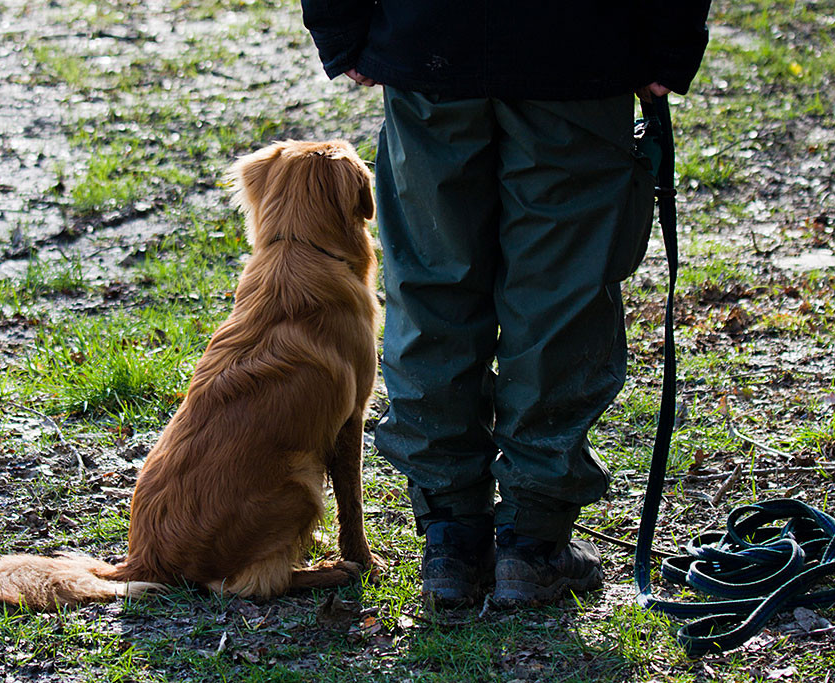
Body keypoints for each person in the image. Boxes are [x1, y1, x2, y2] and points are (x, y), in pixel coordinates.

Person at [301, 1, 712, 607]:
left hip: (430, 42)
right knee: (559, 296)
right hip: (577, 46)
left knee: (433, 293)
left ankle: (450, 541)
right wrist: (668, 43)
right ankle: (531, 543)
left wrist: (343, 31)